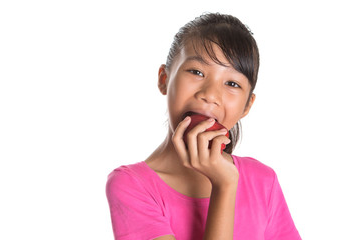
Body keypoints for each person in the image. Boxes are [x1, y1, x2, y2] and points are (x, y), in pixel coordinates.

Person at [105, 13, 301, 240]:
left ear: (247, 106)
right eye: (197, 72)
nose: (210, 95)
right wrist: (224, 186)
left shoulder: (263, 182)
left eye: (232, 83)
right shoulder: (131, 186)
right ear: (163, 79)